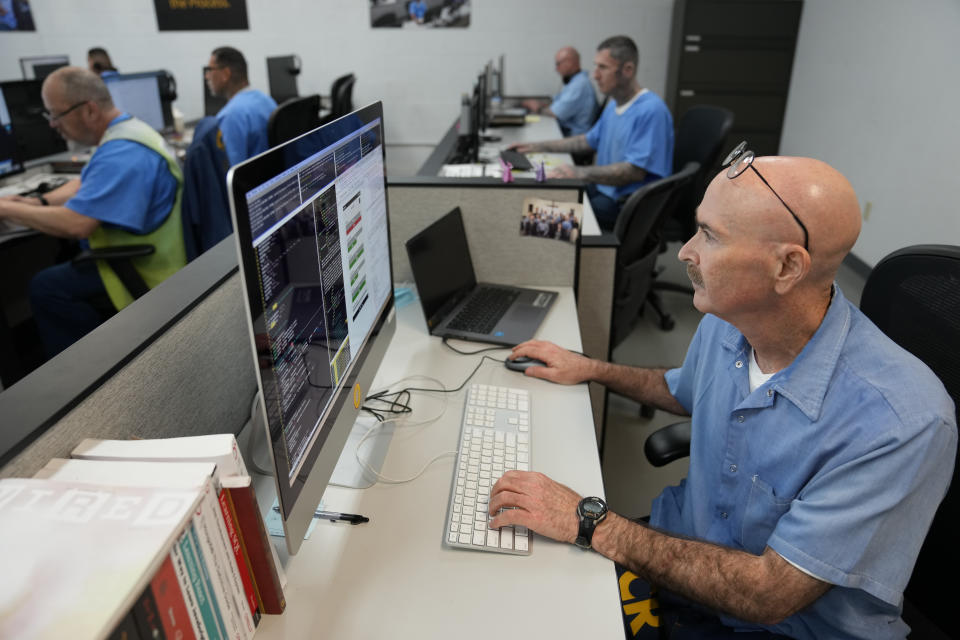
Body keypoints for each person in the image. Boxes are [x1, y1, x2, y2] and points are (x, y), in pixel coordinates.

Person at [492, 149, 957, 639]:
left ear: (786, 268)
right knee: (514, 593)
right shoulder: (728, 320)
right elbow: (682, 390)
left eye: (710, 236)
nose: (685, 252)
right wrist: (591, 368)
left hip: (775, 626)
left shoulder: (901, 421)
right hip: (679, 556)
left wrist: (592, 524)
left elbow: (767, 595)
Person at [0, 67, 186, 357]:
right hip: (154, 254)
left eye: (55, 114)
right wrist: (40, 203)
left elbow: (78, 224)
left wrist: (6, 208)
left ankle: (91, 369)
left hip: (147, 269)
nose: (52, 125)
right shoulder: (130, 131)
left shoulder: (121, 152)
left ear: (88, 110)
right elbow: (88, 180)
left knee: (45, 287)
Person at [509, 36, 673, 231]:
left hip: (624, 205)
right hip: (603, 190)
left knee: (535, 220)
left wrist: (578, 172)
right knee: (540, 197)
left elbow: (634, 171)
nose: (595, 75)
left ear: (627, 70)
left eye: (602, 68)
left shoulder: (651, 110)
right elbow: (586, 141)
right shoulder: (614, 104)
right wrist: (538, 146)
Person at [204, 46, 277, 167]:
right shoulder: (266, 100)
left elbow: (232, 173)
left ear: (225, 74)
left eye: (210, 70)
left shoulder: (229, 116)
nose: (207, 76)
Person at [521, 47, 598, 137]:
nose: (556, 69)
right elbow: (556, 101)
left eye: (558, 64)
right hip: (568, 132)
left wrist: (537, 108)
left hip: (574, 137)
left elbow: (555, 113)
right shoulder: (575, 81)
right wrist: (540, 103)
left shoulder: (579, 85)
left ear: (570, 63)